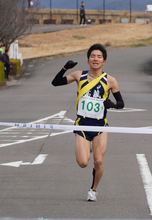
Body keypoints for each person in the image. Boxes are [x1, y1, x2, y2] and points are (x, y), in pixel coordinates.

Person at [51, 43, 124, 201]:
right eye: (93, 56)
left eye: (99, 57)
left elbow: (121, 104)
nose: (95, 59)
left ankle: (93, 189)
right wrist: (65, 68)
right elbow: (55, 83)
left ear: (104, 62)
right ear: (88, 60)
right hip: (82, 125)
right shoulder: (79, 75)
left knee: (98, 161)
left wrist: (112, 105)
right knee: (83, 162)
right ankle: (85, 146)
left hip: (100, 126)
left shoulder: (110, 81)